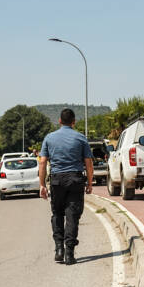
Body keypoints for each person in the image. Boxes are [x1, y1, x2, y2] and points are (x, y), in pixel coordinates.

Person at [39, 108, 93, 265]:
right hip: (75, 179)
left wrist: (42, 185)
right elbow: (88, 163)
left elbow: (42, 162)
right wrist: (89, 183)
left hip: (57, 180)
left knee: (57, 214)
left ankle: (59, 249)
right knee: (72, 216)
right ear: (74, 122)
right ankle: (69, 253)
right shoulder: (81, 138)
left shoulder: (49, 138)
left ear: (60, 121)